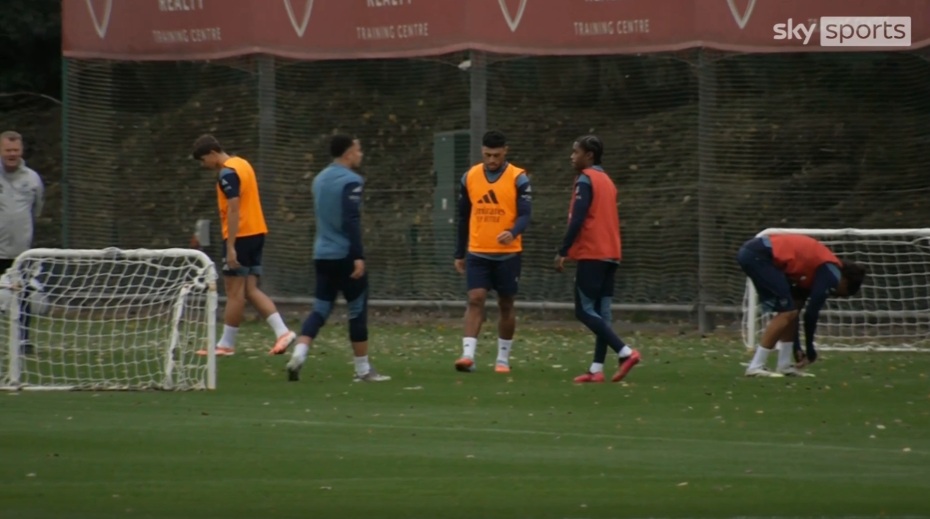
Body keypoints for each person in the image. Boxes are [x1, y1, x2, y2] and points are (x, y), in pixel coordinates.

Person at [272, 134, 390, 383]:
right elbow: (351, 219)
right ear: (348, 153)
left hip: (322, 254)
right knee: (356, 309)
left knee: (321, 308)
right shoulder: (351, 181)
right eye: (358, 150)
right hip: (345, 254)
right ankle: (362, 370)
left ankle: (300, 354)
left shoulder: (319, 179)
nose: (361, 154)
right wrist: (358, 255)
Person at [191, 134, 295, 357]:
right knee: (249, 289)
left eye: (203, 160)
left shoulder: (227, 173)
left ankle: (226, 344)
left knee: (234, 292)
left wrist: (231, 246)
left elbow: (234, 209)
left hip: (241, 236)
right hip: (257, 232)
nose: (204, 165)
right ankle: (283, 332)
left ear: (212, 153)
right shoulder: (243, 163)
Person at [554, 136, 640, 384]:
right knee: (602, 314)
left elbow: (578, 219)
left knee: (583, 311)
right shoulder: (608, 181)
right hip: (612, 253)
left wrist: (563, 250)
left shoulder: (586, 180)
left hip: (593, 252)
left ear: (589, 155)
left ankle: (626, 352)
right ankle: (596, 369)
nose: (572, 157)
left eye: (575, 152)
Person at [453, 131, 532, 374]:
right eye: (487, 155)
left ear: (505, 151)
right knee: (475, 298)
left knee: (505, 303)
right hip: (478, 252)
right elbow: (464, 216)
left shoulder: (518, 178)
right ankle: (467, 356)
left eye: (496, 155)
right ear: (482, 152)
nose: (492, 160)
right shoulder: (470, 177)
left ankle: (502, 359)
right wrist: (459, 252)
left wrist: (513, 231)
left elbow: (526, 214)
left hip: (508, 254)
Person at [737, 233, 866, 377]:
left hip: (754, 253)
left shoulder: (812, 271)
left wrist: (796, 348)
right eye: (842, 293)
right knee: (786, 312)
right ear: (845, 282)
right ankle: (756, 366)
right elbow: (811, 313)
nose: (835, 294)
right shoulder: (832, 273)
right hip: (759, 255)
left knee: (791, 310)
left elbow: (797, 311)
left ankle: (784, 365)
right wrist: (810, 349)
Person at [0, 131, 44, 354]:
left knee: (25, 294)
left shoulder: (32, 178)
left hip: (21, 253)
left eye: (15, 150)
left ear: (21, 151)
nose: (12, 154)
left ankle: (23, 340)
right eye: (8, 150)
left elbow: (37, 208)